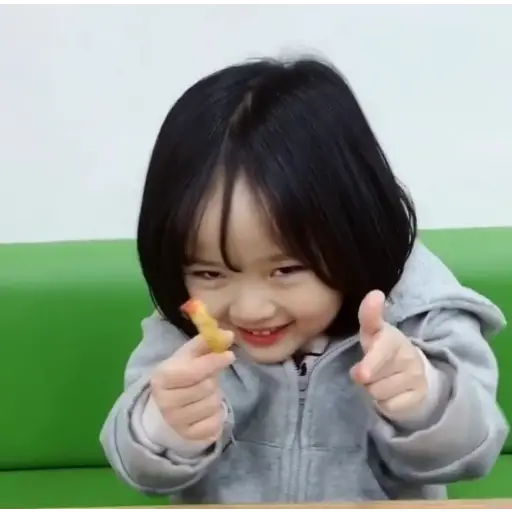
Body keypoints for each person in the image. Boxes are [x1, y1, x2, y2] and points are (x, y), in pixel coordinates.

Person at [100, 56, 509, 503]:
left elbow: (473, 454)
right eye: (210, 273)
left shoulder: (422, 316)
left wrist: (426, 403)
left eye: (286, 270)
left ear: (353, 232)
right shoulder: (185, 339)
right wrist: (162, 427)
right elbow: (140, 470)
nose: (250, 309)